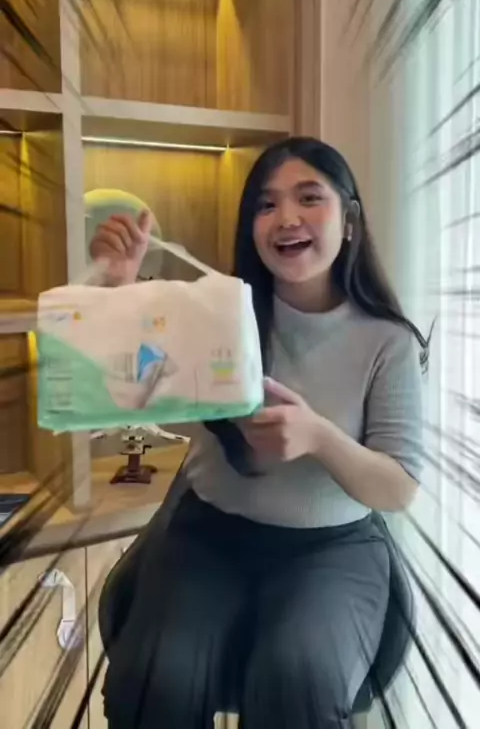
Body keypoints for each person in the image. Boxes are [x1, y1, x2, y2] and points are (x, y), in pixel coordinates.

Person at [90, 137, 426, 729]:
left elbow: (397, 488)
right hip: (205, 538)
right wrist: (118, 290)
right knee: (156, 679)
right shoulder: (219, 313)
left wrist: (319, 438)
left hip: (331, 551)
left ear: (349, 220)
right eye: (266, 205)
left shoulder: (388, 342)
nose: (286, 217)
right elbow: (144, 398)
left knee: (298, 676)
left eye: (309, 198)